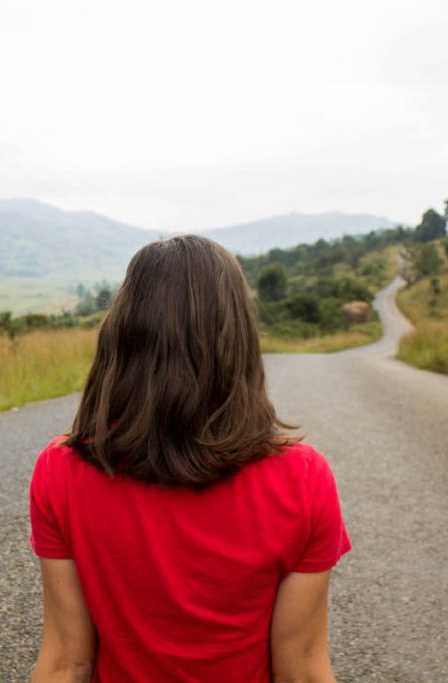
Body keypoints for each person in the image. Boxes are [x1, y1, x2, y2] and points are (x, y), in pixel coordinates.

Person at [28, 234, 351, 682]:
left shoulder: (60, 471)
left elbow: (67, 659)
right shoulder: (304, 479)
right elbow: (301, 670)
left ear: (123, 336)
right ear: (237, 339)